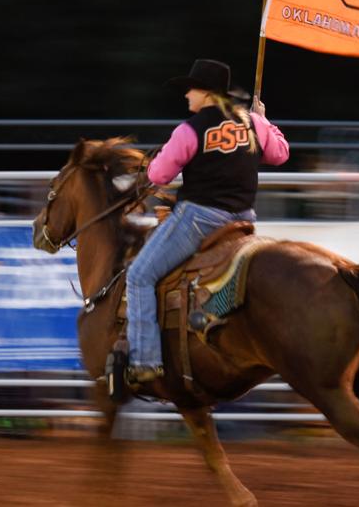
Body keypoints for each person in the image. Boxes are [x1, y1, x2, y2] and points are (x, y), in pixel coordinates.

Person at [122, 59, 289, 385]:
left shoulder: (189, 130)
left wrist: (162, 157)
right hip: (243, 221)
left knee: (139, 275)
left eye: (191, 89)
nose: (187, 95)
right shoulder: (252, 123)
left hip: (199, 219)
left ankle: (145, 361)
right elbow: (280, 154)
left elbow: (158, 175)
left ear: (206, 93)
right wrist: (265, 122)